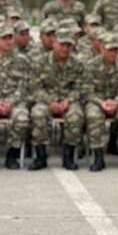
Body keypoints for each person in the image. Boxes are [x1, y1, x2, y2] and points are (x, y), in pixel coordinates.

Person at [29, 28, 85, 171]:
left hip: (68, 101)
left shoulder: (77, 64)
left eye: (69, 46)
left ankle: (69, 156)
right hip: (47, 100)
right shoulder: (41, 62)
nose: (66, 49)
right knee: (38, 113)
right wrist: (50, 101)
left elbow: (79, 87)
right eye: (62, 44)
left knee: (76, 115)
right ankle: (40, 156)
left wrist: (69, 100)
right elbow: (35, 87)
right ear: (54, 43)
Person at [82, 33, 118, 171]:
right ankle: (98, 156)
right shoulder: (91, 66)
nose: (113, 53)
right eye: (110, 49)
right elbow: (87, 91)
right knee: (93, 115)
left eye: (115, 50)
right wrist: (101, 102)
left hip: (117, 101)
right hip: (96, 101)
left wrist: (115, 102)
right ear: (102, 49)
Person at [0, 23, 32, 170]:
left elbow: (24, 86)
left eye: (10, 37)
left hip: (15, 101)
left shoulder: (22, 60)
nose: (8, 41)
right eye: (4, 38)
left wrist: (11, 102)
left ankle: (13, 154)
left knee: (22, 119)